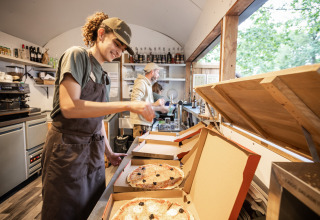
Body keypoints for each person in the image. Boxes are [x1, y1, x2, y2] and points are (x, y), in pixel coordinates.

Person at [41, 12, 155, 220]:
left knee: (92, 210)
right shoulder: (77, 56)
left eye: (122, 49)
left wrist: (109, 153)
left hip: (92, 155)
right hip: (67, 153)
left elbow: (97, 121)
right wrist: (128, 104)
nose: (119, 52)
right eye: (117, 44)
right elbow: (70, 106)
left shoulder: (103, 75)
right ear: (101, 34)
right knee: (64, 211)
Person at [130, 63, 167, 137]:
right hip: (141, 125)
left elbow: (146, 104)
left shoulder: (147, 84)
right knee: (140, 148)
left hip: (145, 124)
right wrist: (155, 104)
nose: (158, 75)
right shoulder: (141, 83)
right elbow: (134, 103)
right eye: (157, 72)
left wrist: (159, 108)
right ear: (152, 72)